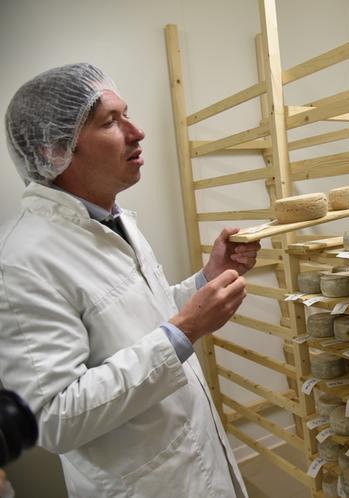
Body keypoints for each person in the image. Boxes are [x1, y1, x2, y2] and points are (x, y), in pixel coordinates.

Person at [0, 63, 260, 497]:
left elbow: (143, 317)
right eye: (111, 122)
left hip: (193, 457)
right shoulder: (22, 261)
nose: (136, 132)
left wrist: (205, 280)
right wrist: (187, 329)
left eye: (127, 114)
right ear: (53, 149)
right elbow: (54, 418)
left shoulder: (111, 220)